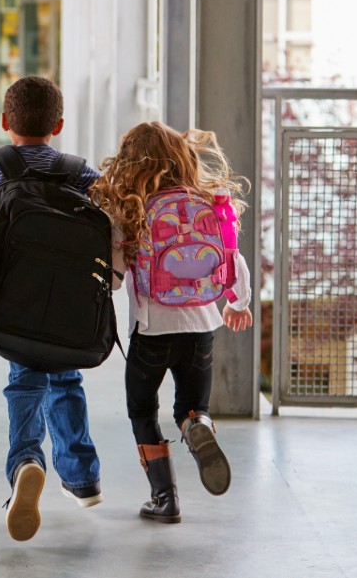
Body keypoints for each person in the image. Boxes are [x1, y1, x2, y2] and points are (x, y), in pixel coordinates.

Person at [91, 121, 253, 523]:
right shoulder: (209, 201)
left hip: (151, 330)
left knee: (143, 410)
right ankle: (197, 426)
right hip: (202, 326)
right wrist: (238, 303)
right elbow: (234, 258)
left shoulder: (131, 207)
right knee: (192, 404)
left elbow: (113, 278)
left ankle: (165, 499)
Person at [0, 76, 105, 541]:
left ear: (6, 123)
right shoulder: (80, 172)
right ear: (60, 124)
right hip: (70, 306)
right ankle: (83, 478)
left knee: (24, 378)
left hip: (15, 302)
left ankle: (26, 461)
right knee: (66, 376)